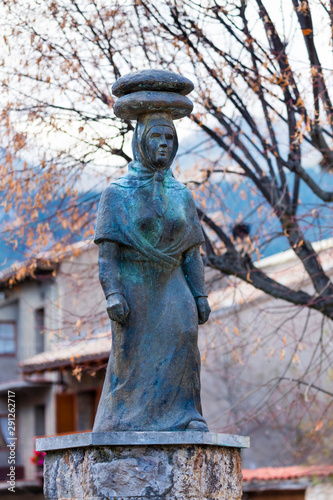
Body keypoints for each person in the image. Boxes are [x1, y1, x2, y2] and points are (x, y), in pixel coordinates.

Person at [93, 112, 211, 432]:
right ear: (141, 142)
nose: (163, 144)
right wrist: (113, 293)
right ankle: (125, 418)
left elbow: (192, 254)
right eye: (156, 137)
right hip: (135, 289)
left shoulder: (182, 194)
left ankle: (186, 414)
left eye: (169, 138)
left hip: (174, 284)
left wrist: (200, 294)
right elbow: (107, 257)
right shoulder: (116, 193)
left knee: (184, 342)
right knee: (130, 356)